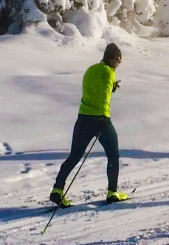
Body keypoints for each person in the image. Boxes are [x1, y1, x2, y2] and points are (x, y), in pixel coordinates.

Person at [50, 44, 126, 208]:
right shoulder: (109, 72)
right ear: (112, 59)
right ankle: (112, 192)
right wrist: (110, 90)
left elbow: (95, 90)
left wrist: (110, 87)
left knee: (74, 156)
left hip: (83, 118)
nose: (118, 66)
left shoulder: (91, 69)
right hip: (101, 120)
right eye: (118, 62)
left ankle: (57, 189)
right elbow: (104, 95)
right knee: (113, 155)